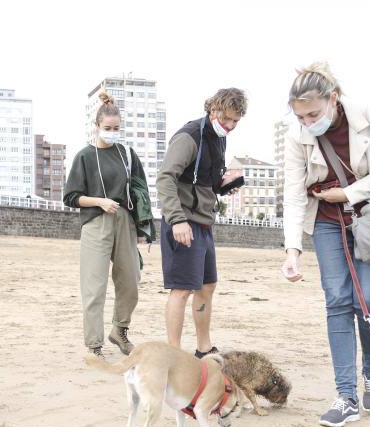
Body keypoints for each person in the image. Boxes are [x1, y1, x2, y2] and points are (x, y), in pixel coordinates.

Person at [280, 62, 370, 427]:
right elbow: (293, 194)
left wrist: (348, 193)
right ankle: (346, 396)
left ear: (333, 98)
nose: (307, 123)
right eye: (300, 116)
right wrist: (293, 251)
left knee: (368, 300)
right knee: (337, 301)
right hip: (326, 222)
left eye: (313, 114)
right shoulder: (296, 136)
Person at [156, 88, 247, 357]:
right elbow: (165, 179)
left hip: (205, 224)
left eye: (236, 122)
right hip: (183, 222)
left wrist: (224, 184)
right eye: (227, 119)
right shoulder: (189, 137)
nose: (230, 126)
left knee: (207, 287)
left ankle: (203, 349)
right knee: (181, 290)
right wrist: (177, 220)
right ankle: (173, 354)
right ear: (214, 109)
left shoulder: (219, 139)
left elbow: (202, 181)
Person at [63, 92, 150, 357]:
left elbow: (140, 190)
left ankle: (120, 330)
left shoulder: (127, 154)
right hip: (96, 222)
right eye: (107, 128)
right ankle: (94, 345)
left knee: (130, 280)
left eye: (116, 128)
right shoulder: (85, 157)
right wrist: (100, 201)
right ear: (97, 126)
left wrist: (143, 228)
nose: (112, 132)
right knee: (94, 286)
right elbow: (71, 197)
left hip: (125, 221)